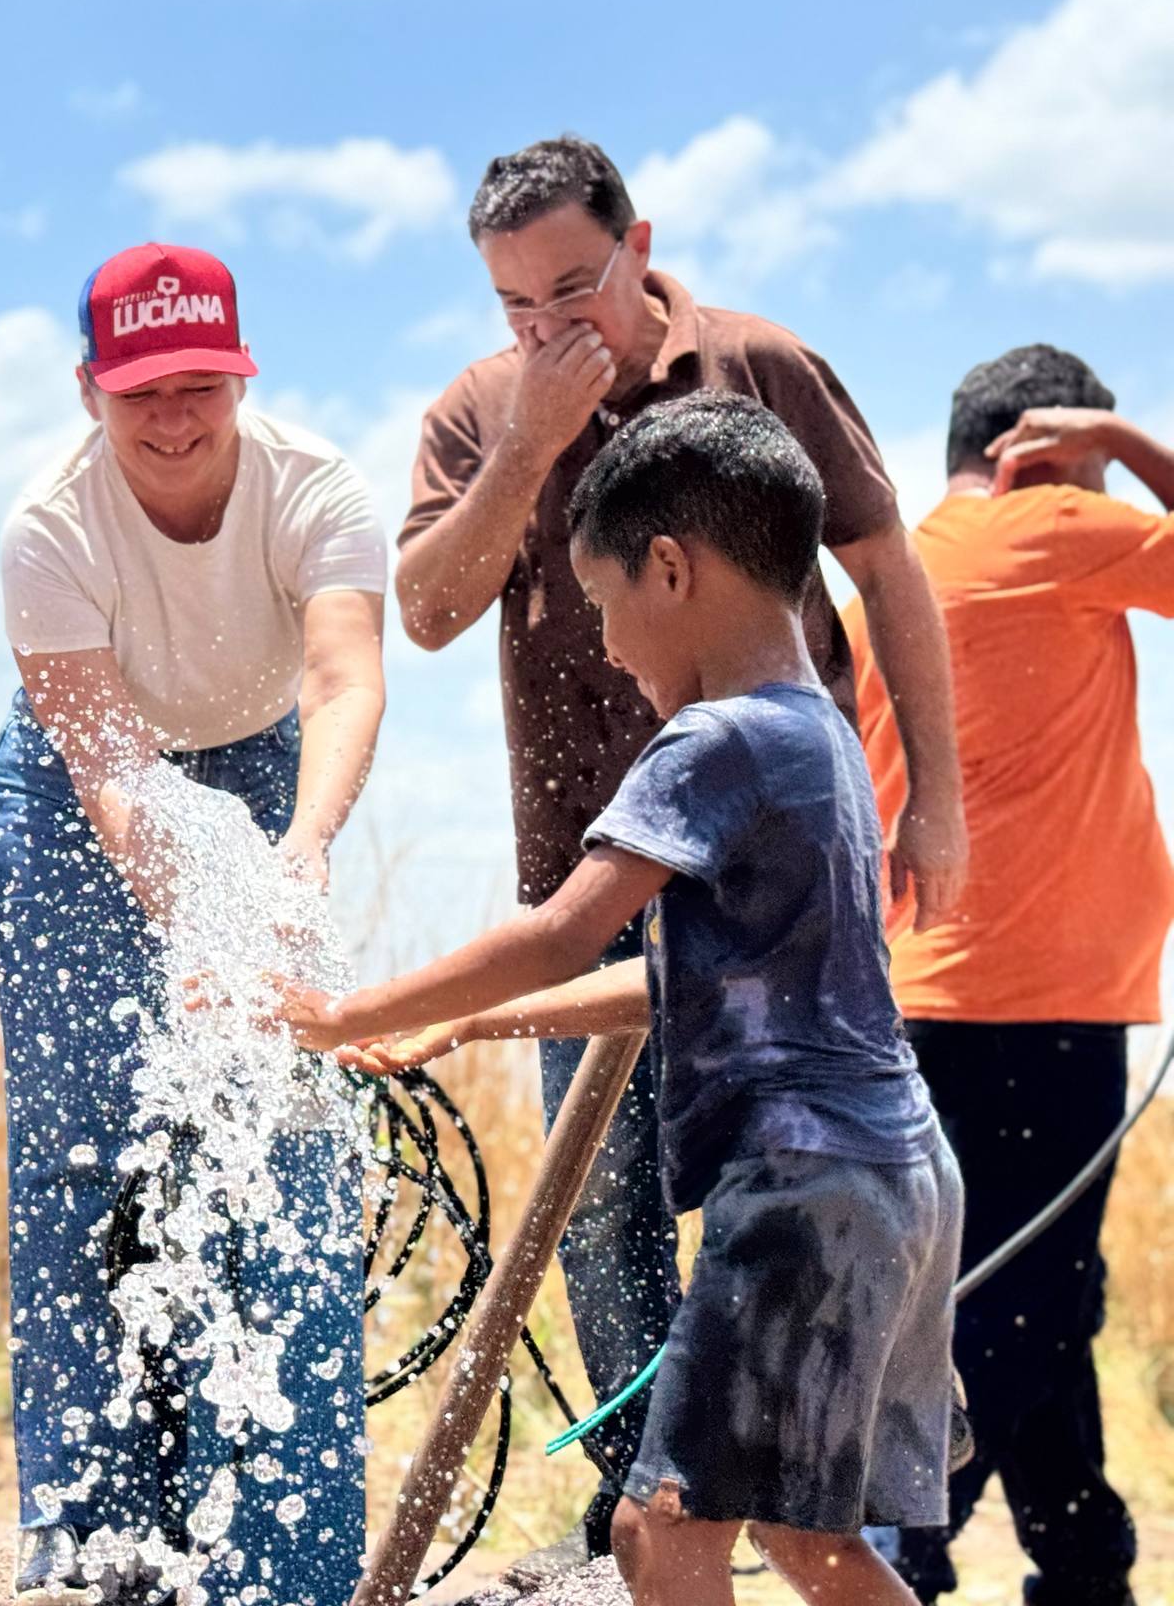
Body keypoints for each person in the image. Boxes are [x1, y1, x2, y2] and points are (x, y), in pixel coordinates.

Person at [394, 135, 967, 1552]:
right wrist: (528, 440)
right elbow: (424, 609)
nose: (549, 330)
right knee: (602, 1235)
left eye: (575, 290)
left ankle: (842, 1540)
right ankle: (647, 1532)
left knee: (802, 1203)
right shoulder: (477, 411)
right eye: (516, 309)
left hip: (776, 891)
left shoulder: (761, 368)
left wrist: (935, 798)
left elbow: (889, 568)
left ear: (639, 243)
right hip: (587, 879)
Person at [295, 394, 962, 1606]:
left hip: (801, 1180)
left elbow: (560, 930)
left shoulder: (715, 741)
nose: (604, 645)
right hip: (893, 1173)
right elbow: (670, 982)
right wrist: (472, 1021)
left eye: (602, 605)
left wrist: (346, 1013)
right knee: (807, 1539)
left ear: (670, 568)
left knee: (661, 1531)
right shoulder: (818, 736)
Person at [0, 243, 387, 1605]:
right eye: (141, 389)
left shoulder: (315, 486)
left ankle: (289, 1554)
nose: (174, 418)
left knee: (280, 1151)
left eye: (201, 384)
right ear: (92, 387)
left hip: (268, 763)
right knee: (85, 1156)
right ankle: (98, 1544)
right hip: (73, 789)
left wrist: (301, 866)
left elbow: (340, 683)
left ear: (239, 372)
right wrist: (203, 933)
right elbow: (107, 768)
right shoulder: (49, 524)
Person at [846, 346, 1173, 1606]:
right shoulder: (1049, 521)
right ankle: (894, 1546)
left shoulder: (902, 556)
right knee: (1021, 1299)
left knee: (1025, 1290)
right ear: (1038, 455)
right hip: (1037, 989)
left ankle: (1084, 1567)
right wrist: (1132, 449)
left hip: (919, 987)